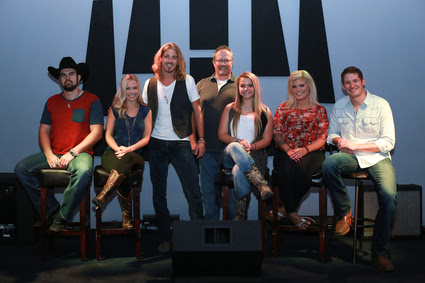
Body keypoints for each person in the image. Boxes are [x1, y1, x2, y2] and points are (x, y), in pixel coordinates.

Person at [14, 57, 104, 232]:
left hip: (80, 153)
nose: (67, 78)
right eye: (63, 75)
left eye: (71, 74)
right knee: (22, 169)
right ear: (59, 79)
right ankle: (52, 210)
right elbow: (43, 131)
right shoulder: (52, 101)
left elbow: (97, 133)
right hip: (55, 153)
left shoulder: (92, 100)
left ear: (79, 78)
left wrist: (73, 152)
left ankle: (63, 216)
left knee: (84, 170)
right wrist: (48, 154)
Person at [323, 66, 397, 272]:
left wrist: (357, 145)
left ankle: (379, 253)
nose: (352, 85)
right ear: (342, 86)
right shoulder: (339, 106)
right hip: (350, 157)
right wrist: (338, 140)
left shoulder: (381, 105)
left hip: (377, 157)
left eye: (355, 81)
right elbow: (332, 134)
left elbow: (388, 142)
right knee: (328, 164)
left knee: (390, 198)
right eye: (347, 83)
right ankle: (345, 213)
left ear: (363, 82)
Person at [142, 43, 205, 253]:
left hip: (182, 142)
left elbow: (197, 111)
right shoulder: (149, 84)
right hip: (156, 143)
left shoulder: (187, 81)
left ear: (178, 61)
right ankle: (164, 238)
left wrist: (200, 139)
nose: (169, 60)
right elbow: (141, 113)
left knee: (193, 192)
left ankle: (198, 236)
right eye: (166, 56)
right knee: (159, 194)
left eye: (174, 57)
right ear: (160, 59)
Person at [92, 74, 152, 229]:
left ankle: (103, 195)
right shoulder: (115, 110)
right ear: (123, 90)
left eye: (134, 88)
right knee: (122, 167)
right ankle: (127, 216)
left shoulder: (146, 111)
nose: (131, 91)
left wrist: (129, 149)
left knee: (128, 158)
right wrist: (118, 149)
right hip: (113, 152)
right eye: (128, 88)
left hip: (135, 155)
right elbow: (108, 135)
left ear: (139, 89)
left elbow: (146, 138)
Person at [272, 70, 329, 229]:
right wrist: (288, 149)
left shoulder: (320, 110)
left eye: (301, 85)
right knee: (286, 171)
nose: (298, 89)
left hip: (312, 152)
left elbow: (322, 138)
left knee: (303, 172)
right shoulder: (283, 107)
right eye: (294, 86)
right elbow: (276, 133)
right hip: (285, 151)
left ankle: (286, 210)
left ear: (309, 86)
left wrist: (304, 150)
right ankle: (291, 211)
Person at [217, 72, 274, 220]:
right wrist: (238, 141)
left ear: (255, 88)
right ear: (238, 88)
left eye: (250, 85)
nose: (246, 89)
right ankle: (261, 185)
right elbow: (221, 134)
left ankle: (240, 214)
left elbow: (267, 140)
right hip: (230, 154)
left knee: (238, 171)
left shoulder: (265, 111)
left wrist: (252, 147)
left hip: (253, 155)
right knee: (236, 146)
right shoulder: (230, 108)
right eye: (243, 85)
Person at [197, 45, 237, 220]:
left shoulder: (241, 85)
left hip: (232, 150)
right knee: (208, 194)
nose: (223, 63)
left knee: (234, 197)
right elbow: (192, 113)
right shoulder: (201, 84)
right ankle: (211, 235)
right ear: (213, 63)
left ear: (232, 63)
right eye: (219, 60)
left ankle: (235, 235)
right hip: (206, 149)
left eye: (226, 60)